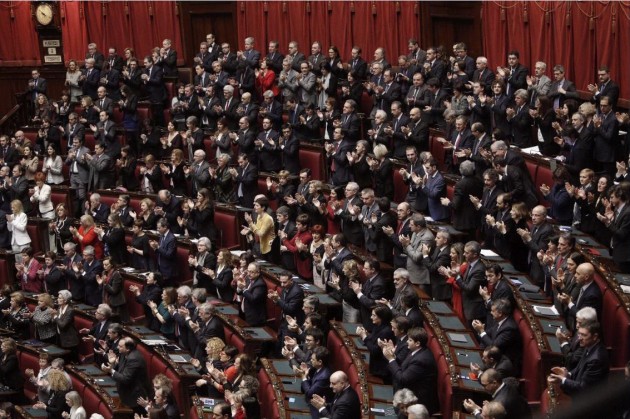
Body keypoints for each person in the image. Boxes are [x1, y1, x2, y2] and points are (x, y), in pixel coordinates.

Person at [383, 327, 439, 414]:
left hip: (418, 402)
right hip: (409, 392)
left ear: (417, 343)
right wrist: (393, 355)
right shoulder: (416, 350)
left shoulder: (421, 360)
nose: (407, 342)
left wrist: (391, 359)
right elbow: (403, 367)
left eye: (409, 340)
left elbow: (402, 379)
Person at [102, 337, 152, 415]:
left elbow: (125, 379)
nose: (117, 347)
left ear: (128, 349)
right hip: (125, 392)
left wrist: (111, 371)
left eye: (120, 346)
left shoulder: (134, 359)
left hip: (135, 397)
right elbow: (121, 369)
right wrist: (113, 363)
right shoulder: (123, 354)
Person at [53, 290, 79, 362]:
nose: (57, 299)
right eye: (58, 297)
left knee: (68, 361)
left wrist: (55, 316)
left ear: (65, 300)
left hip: (69, 341)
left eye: (60, 298)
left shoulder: (70, 310)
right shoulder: (59, 308)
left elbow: (62, 325)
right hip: (60, 338)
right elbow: (56, 322)